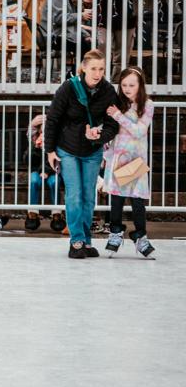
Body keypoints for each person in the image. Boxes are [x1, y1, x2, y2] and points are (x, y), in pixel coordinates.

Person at [42, 49, 119, 259]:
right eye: (93, 68)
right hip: (67, 149)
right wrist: (49, 150)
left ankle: (86, 241)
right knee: (74, 196)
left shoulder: (108, 91)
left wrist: (99, 135)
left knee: (88, 198)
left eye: (101, 69)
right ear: (83, 68)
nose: (97, 73)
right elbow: (53, 120)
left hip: (92, 151)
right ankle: (76, 241)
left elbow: (113, 124)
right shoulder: (68, 88)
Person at [103, 66, 155, 257]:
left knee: (137, 200)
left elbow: (140, 131)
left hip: (135, 161)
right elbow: (109, 128)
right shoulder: (118, 103)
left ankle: (140, 236)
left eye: (131, 85)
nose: (127, 88)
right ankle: (116, 232)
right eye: (124, 85)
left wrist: (118, 115)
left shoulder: (147, 105)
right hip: (119, 158)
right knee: (116, 199)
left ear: (140, 85)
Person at [24, 114, 64, 232]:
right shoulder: (35, 140)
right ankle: (33, 213)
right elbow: (28, 160)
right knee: (34, 181)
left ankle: (57, 214)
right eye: (43, 128)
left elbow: (57, 159)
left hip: (52, 170)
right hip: (37, 171)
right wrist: (35, 147)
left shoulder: (57, 141)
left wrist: (46, 171)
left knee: (54, 182)